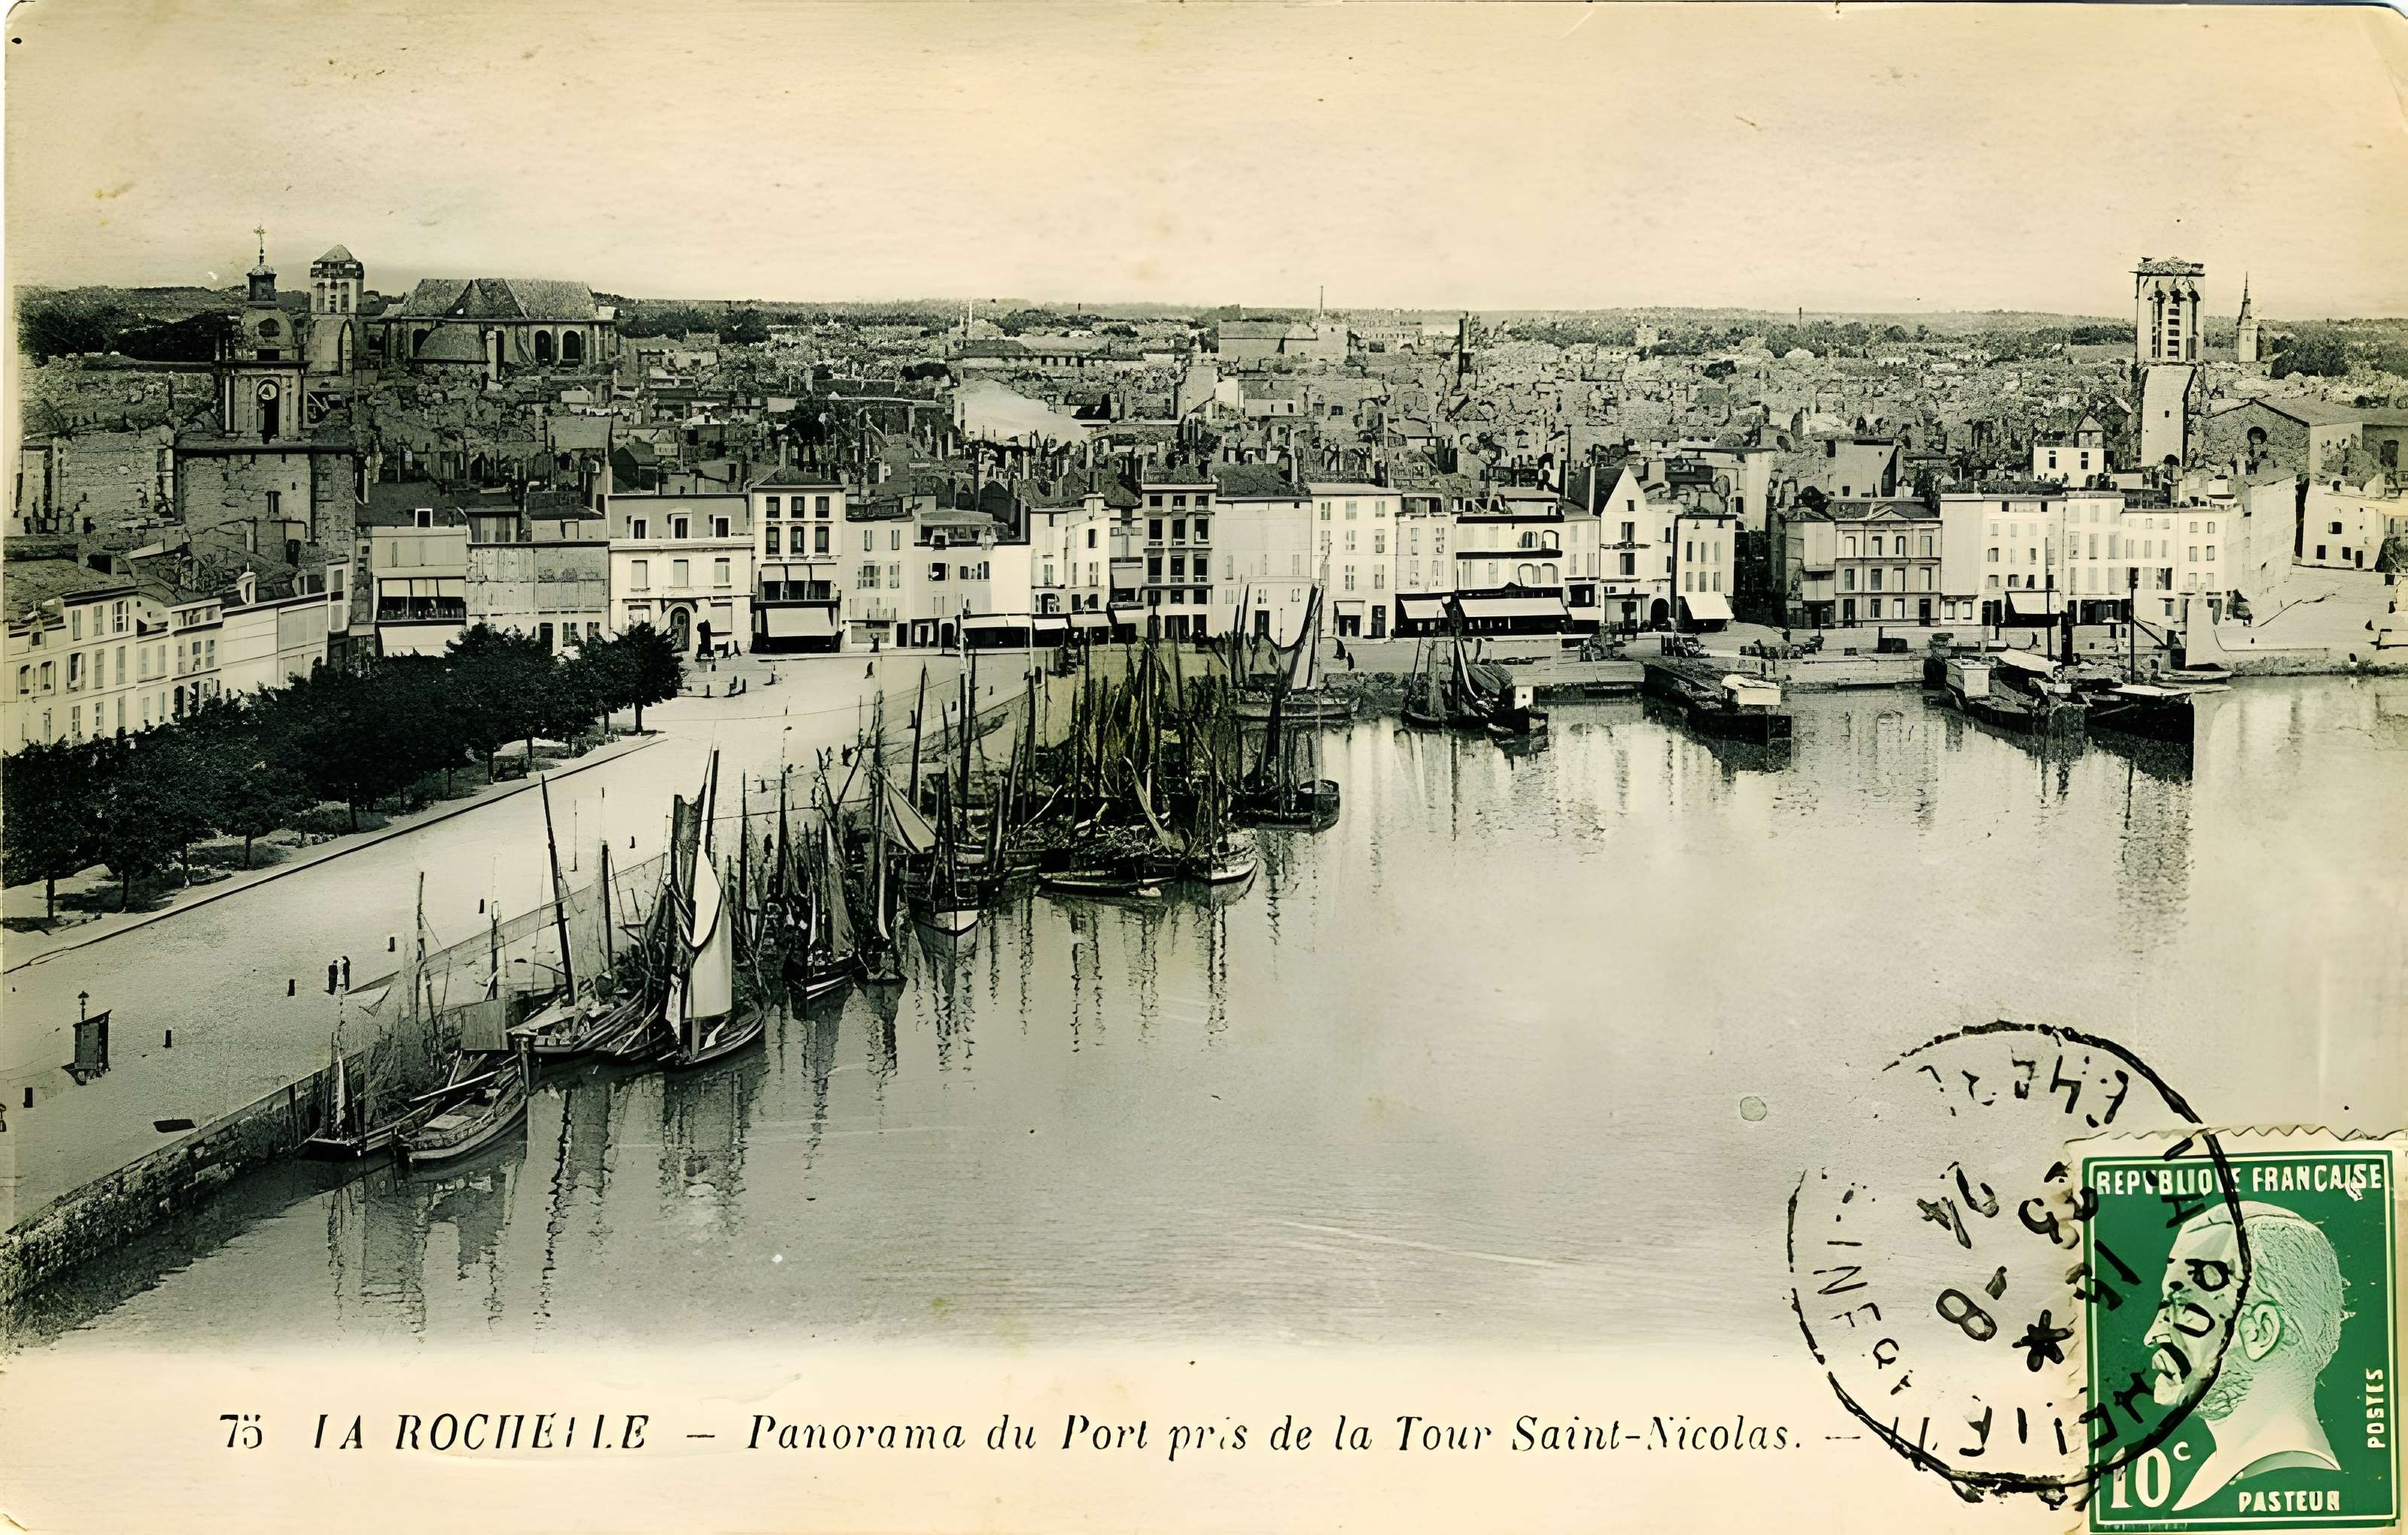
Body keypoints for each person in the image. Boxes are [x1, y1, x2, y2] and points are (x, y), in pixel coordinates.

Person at [2146, 1201, 2347, 1510]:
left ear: (2260, 1333)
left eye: (2183, 1309)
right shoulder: (2224, 1469)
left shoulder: (2283, 1475)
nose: (2152, 1336)